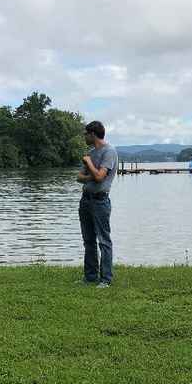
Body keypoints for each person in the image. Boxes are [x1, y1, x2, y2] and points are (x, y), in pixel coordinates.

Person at [77, 120, 118, 286]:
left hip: (100, 201)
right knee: (88, 240)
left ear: (92, 134)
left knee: (103, 240)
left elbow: (101, 177)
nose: (84, 137)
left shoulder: (109, 152)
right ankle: (90, 277)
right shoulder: (91, 152)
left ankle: (106, 279)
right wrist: (91, 174)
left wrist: (89, 164)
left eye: (86, 134)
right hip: (85, 200)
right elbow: (79, 177)